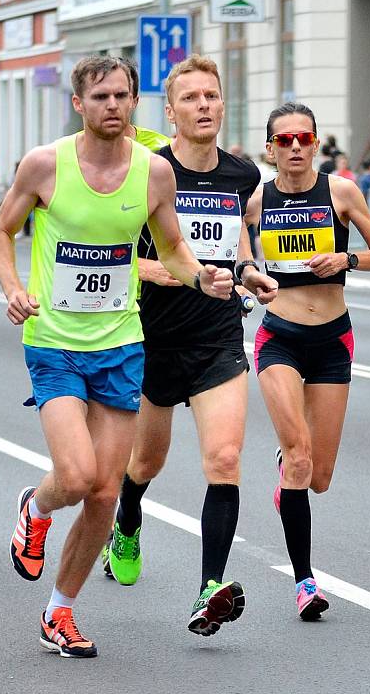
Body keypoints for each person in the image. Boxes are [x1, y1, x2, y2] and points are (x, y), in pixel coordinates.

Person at [0, 55, 235, 659]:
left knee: (104, 493)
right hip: (55, 343)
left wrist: (202, 277)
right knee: (74, 477)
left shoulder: (153, 173)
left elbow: (173, 246)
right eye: (101, 97)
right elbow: (0, 232)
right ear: (79, 104)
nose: (114, 106)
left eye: (123, 96)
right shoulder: (46, 165)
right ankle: (36, 504)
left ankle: (60, 612)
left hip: (121, 344)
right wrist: (14, 289)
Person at [103, 55, 278, 636]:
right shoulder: (147, 172)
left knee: (225, 460)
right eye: (191, 98)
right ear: (171, 112)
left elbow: (241, 240)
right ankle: (125, 524)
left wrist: (249, 271)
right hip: (153, 339)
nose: (204, 106)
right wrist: (183, 273)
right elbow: (122, 256)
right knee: (146, 462)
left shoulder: (241, 175)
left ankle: (209, 588)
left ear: (223, 106)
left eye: (212, 96)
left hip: (219, 337)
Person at [245, 102, 370, 621]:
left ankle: (290, 473)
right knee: (301, 456)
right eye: (283, 140)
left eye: (303, 138)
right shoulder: (258, 199)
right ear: (270, 148)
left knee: (318, 476)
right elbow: (233, 242)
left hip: (334, 339)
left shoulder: (341, 192)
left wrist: (346, 259)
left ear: (315, 143)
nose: (294, 147)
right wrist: (247, 271)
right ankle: (305, 581)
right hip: (279, 337)